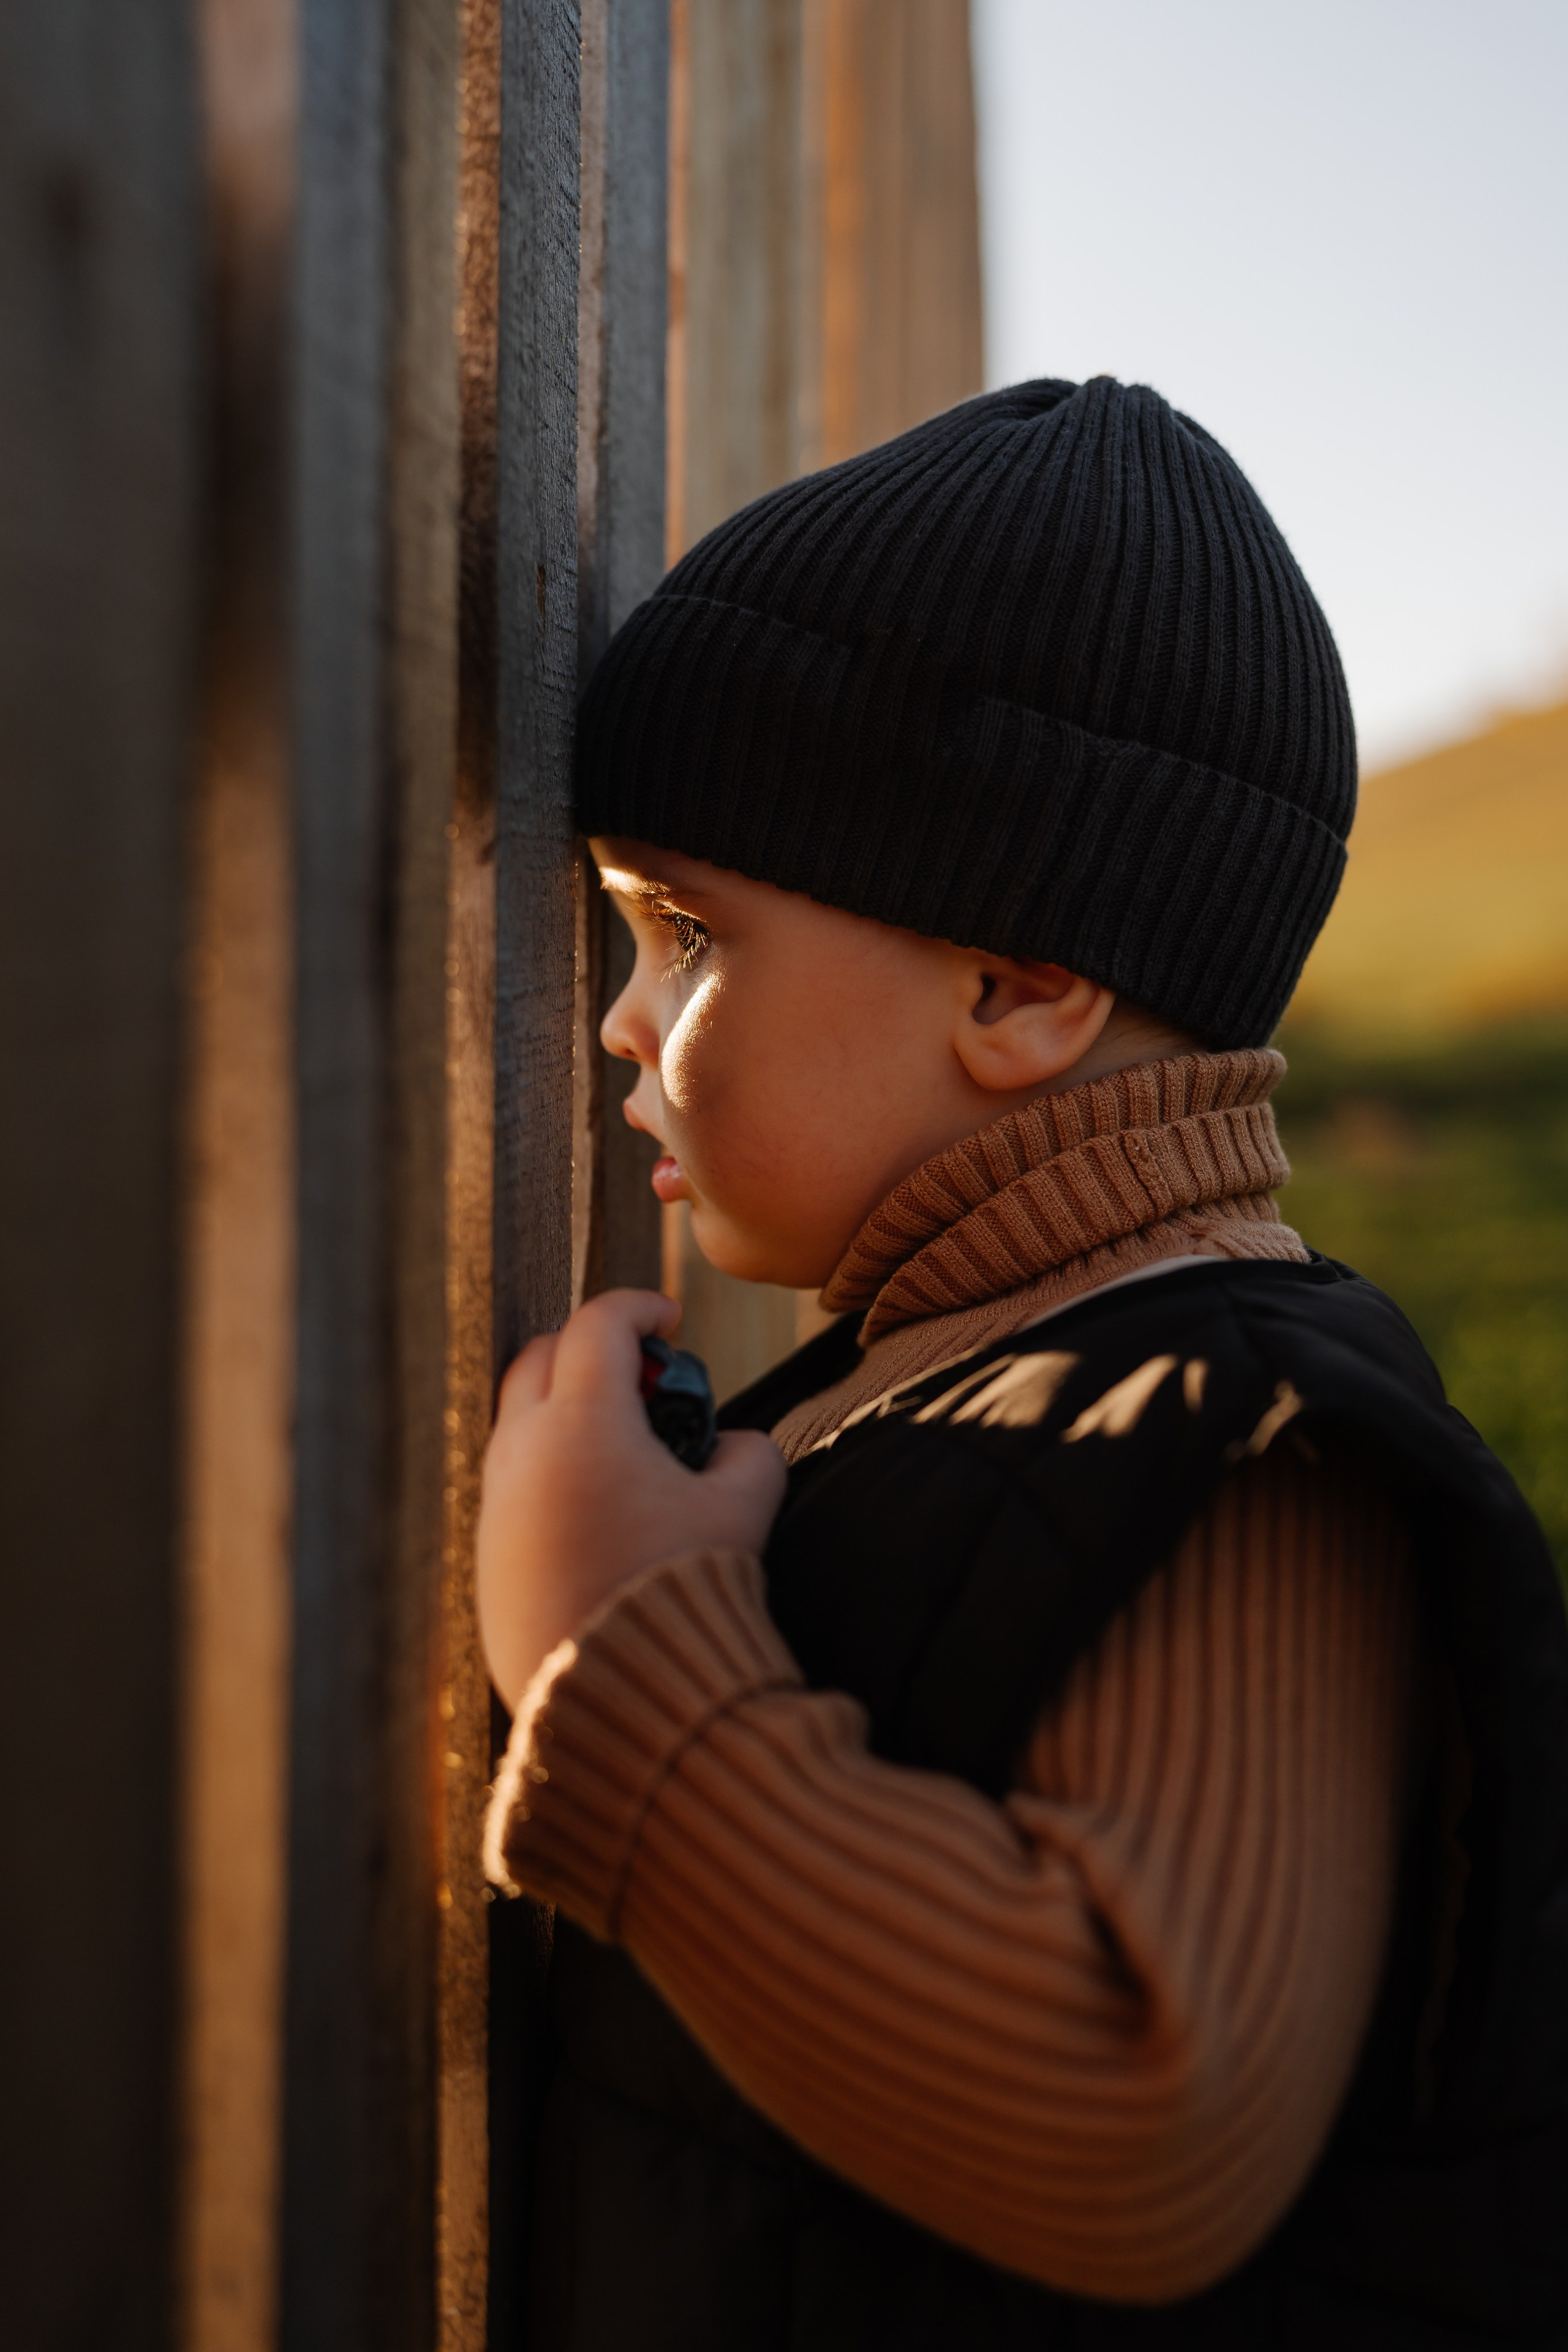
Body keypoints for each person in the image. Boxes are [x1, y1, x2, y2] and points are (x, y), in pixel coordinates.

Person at [475, 379, 1568, 2348]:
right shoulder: (945, 1382)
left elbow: (1152, 2116)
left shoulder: (1238, 1441)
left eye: (686, 933)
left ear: (1021, 984)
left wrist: (623, 1662)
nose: (623, 1020)